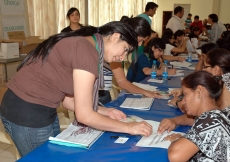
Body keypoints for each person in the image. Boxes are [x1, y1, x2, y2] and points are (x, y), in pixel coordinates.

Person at [0, 21, 153, 157]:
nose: (122, 57)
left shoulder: (86, 44)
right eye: (125, 49)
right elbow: (84, 115)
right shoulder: (87, 51)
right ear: (115, 37)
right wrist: (129, 127)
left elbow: (67, 101)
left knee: (54, 155)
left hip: (40, 108)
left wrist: (105, 111)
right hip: (27, 112)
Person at [158, 49, 230, 136]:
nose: (203, 70)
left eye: (205, 67)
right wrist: (175, 121)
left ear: (216, 69)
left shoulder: (226, 87)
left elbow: (207, 120)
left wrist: (178, 103)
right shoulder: (220, 83)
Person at [165, 70, 229, 162]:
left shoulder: (210, 120)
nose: (183, 101)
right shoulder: (218, 114)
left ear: (199, 91)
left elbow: (175, 156)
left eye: (186, 94)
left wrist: (176, 140)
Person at [99, 17, 160, 105]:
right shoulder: (114, 50)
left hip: (101, 93)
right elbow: (122, 82)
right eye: (141, 40)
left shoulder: (115, 47)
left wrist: (146, 92)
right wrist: (146, 92)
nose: (139, 44)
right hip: (98, 96)